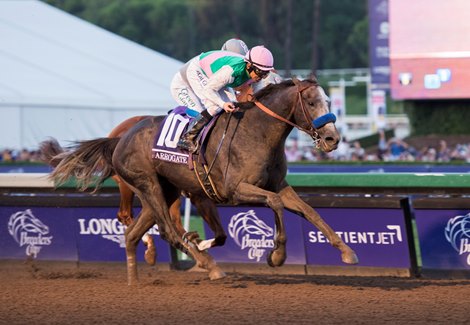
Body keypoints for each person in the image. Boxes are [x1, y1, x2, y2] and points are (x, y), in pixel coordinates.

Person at [171, 44, 275, 153]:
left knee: (233, 105)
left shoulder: (255, 75)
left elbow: (259, 99)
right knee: (214, 107)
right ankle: (186, 138)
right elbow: (208, 90)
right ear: (249, 65)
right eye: (260, 72)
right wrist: (222, 104)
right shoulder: (232, 71)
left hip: (212, 76)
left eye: (265, 73)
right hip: (195, 73)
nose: (261, 77)